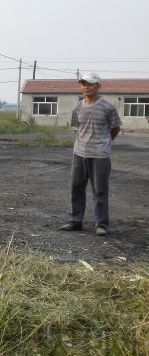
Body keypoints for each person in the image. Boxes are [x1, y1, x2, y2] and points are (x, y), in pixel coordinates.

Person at [59, 72, 121, 236]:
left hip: (100, 155)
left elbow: (115, 129)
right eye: (83, 84)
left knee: (100, 190)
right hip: (79, 153)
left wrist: (104, 143)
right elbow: (77, 129)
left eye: (90, 84)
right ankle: (75, 220)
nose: (85, 87)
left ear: (98, 86)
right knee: (76, 187)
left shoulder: (108, 107)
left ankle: (101, 224)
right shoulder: (78, 107)